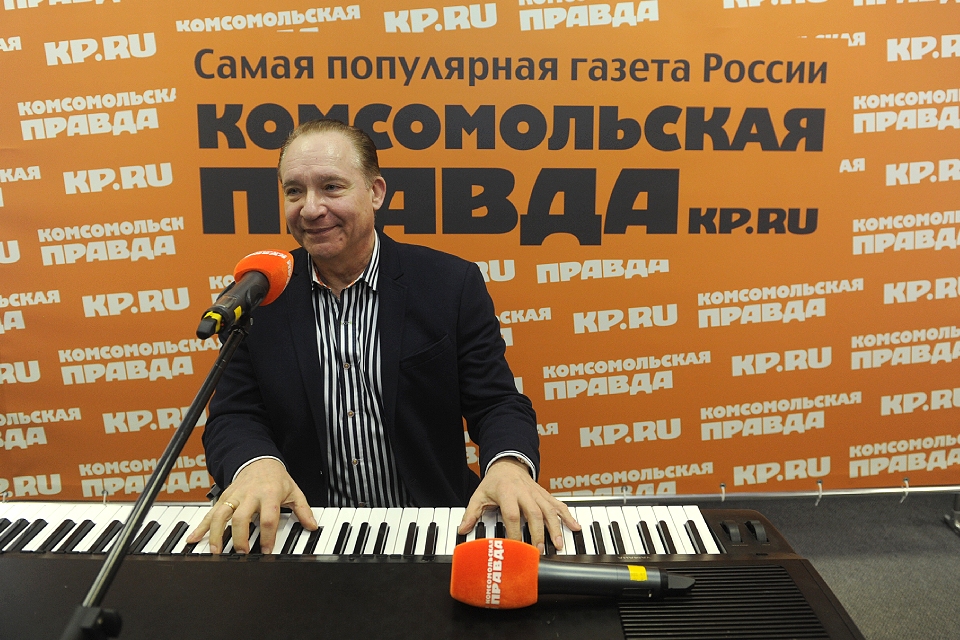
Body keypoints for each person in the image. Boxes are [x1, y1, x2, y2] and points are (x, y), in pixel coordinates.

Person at [188, 119, 579, 555]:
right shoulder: (260, 294)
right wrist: (256, 465)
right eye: (294, 191)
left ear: (375, 192)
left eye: (331, 187)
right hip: (305, 533)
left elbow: (497, 402)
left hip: (433, 527)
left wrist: (508, 465)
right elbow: (234, 413)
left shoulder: (450, 284)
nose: (310, 209)